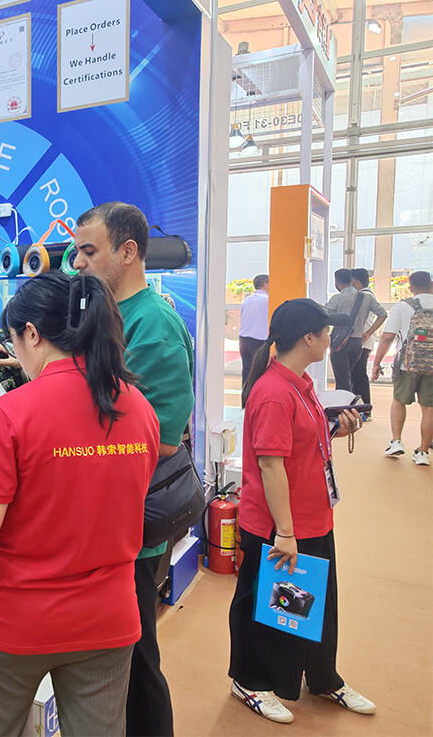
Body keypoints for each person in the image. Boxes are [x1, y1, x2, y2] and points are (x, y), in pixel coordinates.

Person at [0, 272, 160, 736]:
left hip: (16, 621)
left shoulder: (12, 413)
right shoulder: (139, 407)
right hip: (107, 617)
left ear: (31, 333)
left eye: (14, 341)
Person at [69, 201, 194, 737]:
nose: (77, 263)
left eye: (88, 251)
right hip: (107, 521)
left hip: (134, 525)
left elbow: (160, 440)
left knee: (138, 657)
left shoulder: (153, 324)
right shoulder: (108, 315)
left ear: (127, 252)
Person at [230, 297, 373, 724]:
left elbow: (302, 441)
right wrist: (286, 532)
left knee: (318, 602)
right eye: (327, 330)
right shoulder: (274, 392)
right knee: (268, 607)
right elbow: (271, 466)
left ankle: (323, 676)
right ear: (309, 338)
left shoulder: (301, 383)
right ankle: (249, 681)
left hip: (313, 516)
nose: (332, 337)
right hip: (278, 525)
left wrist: (335, 427)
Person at [370, 270, 433, 466]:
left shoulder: (403, 306)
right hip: (432, 366)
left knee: (399, 400)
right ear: (431, 285)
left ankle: (396, 441)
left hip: (406, 363)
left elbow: (387, 337)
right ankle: (423, 451)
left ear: (411, 287)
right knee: (429, 408)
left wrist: (376, 363)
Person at [349, 268, 386, 405]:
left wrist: (368, 333)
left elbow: (383, 315)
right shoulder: (366, 295)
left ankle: (364, 407)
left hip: (361, 342)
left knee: (358, 376)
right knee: (357, 375)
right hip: (364, 341)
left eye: (351, 282)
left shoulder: (364, 296)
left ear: (357, 283)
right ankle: (362, 407)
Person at [325, 268, 364, 394]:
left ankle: (343, 404)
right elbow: (381, 314)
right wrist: (368, 332)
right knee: (350, 376)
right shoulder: (363, 296)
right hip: (358, 342)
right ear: (351, 280)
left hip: (340, 341)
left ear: (336, 281)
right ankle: (352, 402)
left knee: (342, 379)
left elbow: (325, 315)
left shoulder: (337, 298)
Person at [239, 274, 270, 399]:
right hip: (259, 340)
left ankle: (245, 400)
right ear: (265, 284)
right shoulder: (267, 300)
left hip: (243, 339)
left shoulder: (246, 300)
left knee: (247, 371)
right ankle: (257, 400)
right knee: (259, 372)